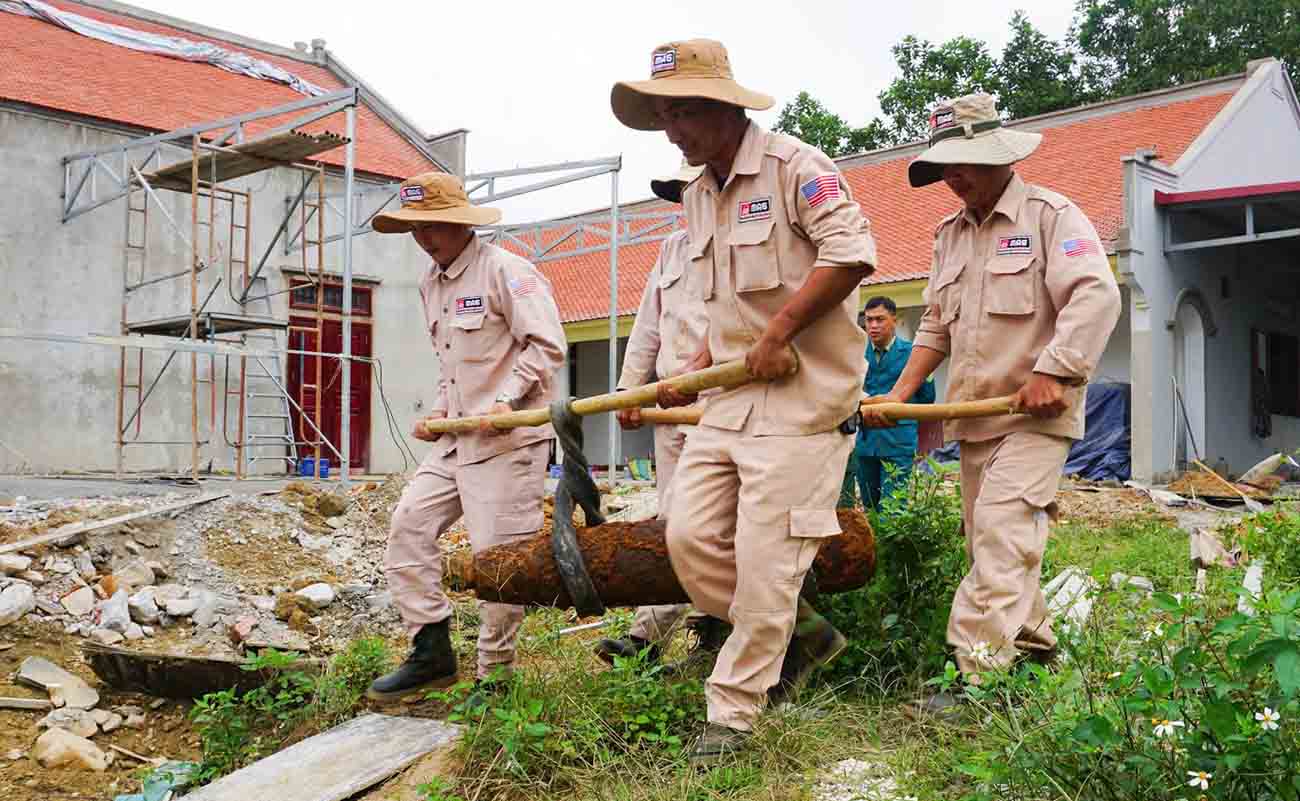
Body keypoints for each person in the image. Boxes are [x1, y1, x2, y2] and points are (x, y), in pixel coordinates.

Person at [611, 38, 877, 760]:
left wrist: (782, 328)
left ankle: (733, 713)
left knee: (766, 558)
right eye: (663, 115)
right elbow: (719, 302)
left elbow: (853, 252)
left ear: (723, 107)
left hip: (803, 403)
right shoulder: (698, 194)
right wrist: (693, 363)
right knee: (688, 537)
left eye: (682, 114)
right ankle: (800, 633)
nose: (671, 131)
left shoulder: (796, 168)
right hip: (729, 402)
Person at [861, 93, 1121, 716]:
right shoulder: (948, 235)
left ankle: (976, 677)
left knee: (1002, 533)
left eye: (965, 163)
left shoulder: (1050, 216)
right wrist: (898, 396)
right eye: (944, 167)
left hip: (1035, 418)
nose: (954, 178)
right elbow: (934, 329)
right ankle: (1032, 649)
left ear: (999, 156)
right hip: (975, 422)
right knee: (990, 541)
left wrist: (1055, 370)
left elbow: (1096, 294)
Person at [365, 172, 567, 701]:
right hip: (457, 440)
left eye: (434, 226)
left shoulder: (507, 272)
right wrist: (437, 412)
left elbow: (546, 346)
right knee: (408, 527)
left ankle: (495, 677)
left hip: (507, 443)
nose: (425, 238)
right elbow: (452, 365)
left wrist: (506, 401)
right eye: (416, 229)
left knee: (498, 560)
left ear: (459, 222)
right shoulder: (431, 283)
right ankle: (431, 651)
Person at [594, 161, 726, 667]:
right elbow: (648, 327)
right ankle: (659, 636)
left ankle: (668, 635)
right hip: (672, 415)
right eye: (680, 194)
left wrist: (692, 382)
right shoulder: (670, 250)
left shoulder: (743, 245)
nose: (687, 202)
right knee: (676, 521)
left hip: (722, 408)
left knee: (704, 524)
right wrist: (632, 391)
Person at [855, 296, 935, 509]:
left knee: (893, 510)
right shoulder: (856, 355)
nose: (873, 326)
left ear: (895, 319)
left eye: (879, 319)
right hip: (864, 443)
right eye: (869, 320)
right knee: (870, 508)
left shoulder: (913, 354)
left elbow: (927, 398)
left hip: (898, 441)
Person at [837, 310, 868, 509]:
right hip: (821, 440)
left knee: (845, 506)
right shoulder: (830, 358)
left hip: (848, 437)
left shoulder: (860, 362)